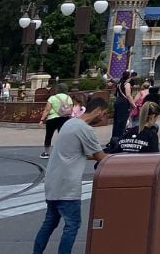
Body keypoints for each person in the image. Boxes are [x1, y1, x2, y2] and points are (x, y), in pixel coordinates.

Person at [32, 96, 108, 254]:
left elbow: (78, 154)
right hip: (68, 187)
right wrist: (117, 156)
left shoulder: (70, 123)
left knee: (50, 222)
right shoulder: (85, 129)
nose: (104, 118)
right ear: (98, 111)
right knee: (72, 224)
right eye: (105, 114)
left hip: (53, 184)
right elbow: (102, 158)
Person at [38, 84, 74, 159]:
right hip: (64, 118)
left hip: (52, 118)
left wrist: (42, 119)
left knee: (49, 135)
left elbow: (47, 110)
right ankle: (64, 152)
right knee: (63, 136)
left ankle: (46, 152)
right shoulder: (68, 98)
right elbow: (70, 109)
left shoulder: (52, 98)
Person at [111, 71, 134, 140]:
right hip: (124, 102)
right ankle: (120, 137)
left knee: (117, 120)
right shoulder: (127, 84)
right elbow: (128, 95)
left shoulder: (119, 83)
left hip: (117, 101)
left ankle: (114, 137)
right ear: (128, 77)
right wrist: (133, 104)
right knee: (122, 121)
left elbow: (115, 93)